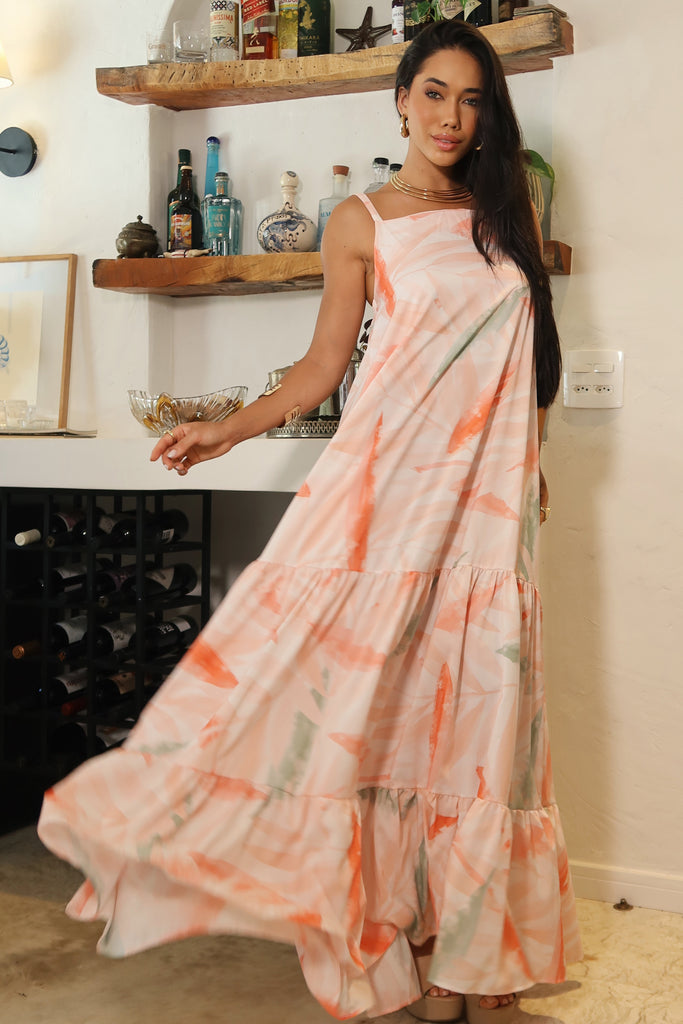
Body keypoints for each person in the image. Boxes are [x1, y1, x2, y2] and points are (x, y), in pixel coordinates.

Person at [38, 18, 582, 1023]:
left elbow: (530, 354)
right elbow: (322, 368)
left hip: (488, 510)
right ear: (400, 101)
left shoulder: (508, 212)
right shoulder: (359, 220)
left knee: (478, 722)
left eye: (470, 100)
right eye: (432, 94)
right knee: (375, 713)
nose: (450, 117)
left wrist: (532, 461)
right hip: (390, 493)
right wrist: (225, 427)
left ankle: (469, 956)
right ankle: (407, 944)